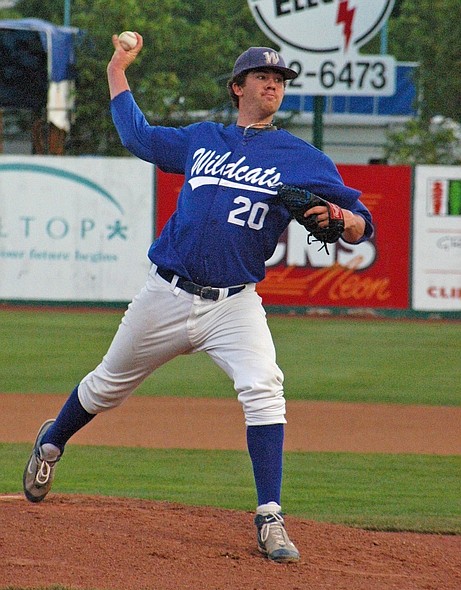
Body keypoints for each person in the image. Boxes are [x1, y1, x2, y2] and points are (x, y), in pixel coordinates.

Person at [23, 35, 374, 563]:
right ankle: (51, 442)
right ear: (238, 88)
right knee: (106, 386)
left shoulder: (301, 158)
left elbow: (361, 224)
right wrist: (118, 68)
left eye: (280, 79)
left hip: (234, 303)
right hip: (165, 292)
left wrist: (346, 220)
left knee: (263, 387)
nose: (273, 84)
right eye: (262, 76)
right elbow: (138, 136)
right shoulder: (202, 139)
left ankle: (270, 515)